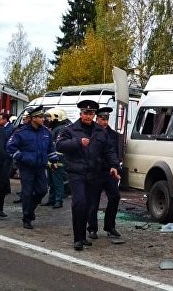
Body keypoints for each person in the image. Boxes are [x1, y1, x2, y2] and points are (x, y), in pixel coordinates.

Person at [56, 100, 120, 251]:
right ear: (80, 114)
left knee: (89, 206)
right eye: (85, 113)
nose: (88, 116)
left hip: (94, 174)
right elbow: (59, 145)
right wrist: (78, 142)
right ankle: (77, 239)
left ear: (94, 115)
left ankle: (83, 237)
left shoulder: (100, 131)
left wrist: (114, 166)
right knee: (79, 203)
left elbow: (109, 150)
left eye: (91, 113)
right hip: (76, 173)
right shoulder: (70, 129)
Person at [6, 105, 59, 229]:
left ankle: (30, 210)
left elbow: (50, 148)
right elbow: (10, 147)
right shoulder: (21, 132)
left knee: (42, 191)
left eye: (43, 117)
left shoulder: (46, 132)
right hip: (26, 167)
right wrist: (22, 157)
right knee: (27, 192)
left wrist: (54, 160)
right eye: (40, 117)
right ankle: (26, 218)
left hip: (41, 166)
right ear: (33, 118)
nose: (43, 119)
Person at [86, 106, 122, 239]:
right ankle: (92, 228)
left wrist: (117, 168)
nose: (105, 122)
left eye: (107, 119)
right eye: (102, 119)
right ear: (97, 118)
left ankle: (110, 226)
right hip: (95, 172)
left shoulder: (113, 135)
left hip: (109, 172)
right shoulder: (91, 132)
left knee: (115, 197)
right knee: (93, 201)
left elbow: (116, 153)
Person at [41, 108, 71, 209]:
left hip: (58, 160)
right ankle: (51, 199)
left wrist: (55, 160)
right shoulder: (55, 129)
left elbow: (57, 146)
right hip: (51, 159)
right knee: (51, 181)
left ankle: (58, 201)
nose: (47, 120)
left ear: (56, 117)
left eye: (50, 117)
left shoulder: (60, 129)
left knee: (57, 181)